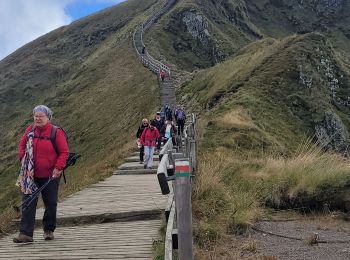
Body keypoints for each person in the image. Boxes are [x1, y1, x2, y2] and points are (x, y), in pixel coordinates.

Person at [13, 105, 69, 243]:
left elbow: (64, 153)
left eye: (41, 116)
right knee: (28, 202)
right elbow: (22, 145)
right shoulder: (30, 130)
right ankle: (25, 234)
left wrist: (58, 168)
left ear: (47, 117)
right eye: (35, 116)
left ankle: (48, 230)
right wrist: (23, 158)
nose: (38, 118)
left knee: (50, 203)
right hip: (30, 175)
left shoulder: (56, 132)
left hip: (50, 175)